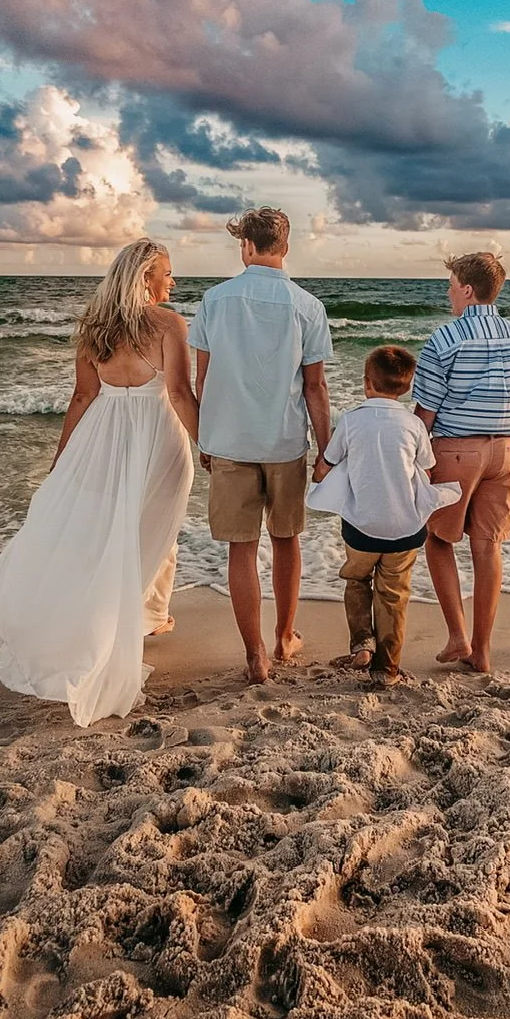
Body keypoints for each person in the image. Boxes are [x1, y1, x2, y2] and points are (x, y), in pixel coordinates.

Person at [0, 239, 198, 725]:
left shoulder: (94, 327)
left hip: (102, 435)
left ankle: (133, 620)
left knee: (105, 534)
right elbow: (179, 394)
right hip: (157, 436)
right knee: (150, 532)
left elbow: (83, 396)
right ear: (144, 278)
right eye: (166, 273)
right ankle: (124, 630)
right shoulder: (170, 324)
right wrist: (209, 446)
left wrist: (64, 458)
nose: (172, 282)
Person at [189, 207, 334, 683]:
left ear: (245, 246)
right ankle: (285, 635)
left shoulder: (214, 300)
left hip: (228, 440)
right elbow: (315, 387)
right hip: (285, 441)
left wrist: (202, 437)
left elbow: (202, 378)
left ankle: (254, 655)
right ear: (285, 248)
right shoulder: (307, 305)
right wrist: (326, 449)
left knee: (241, 550)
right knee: (287, 539)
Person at [410, 252, 510, 673]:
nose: (448, 293)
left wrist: (409, 455)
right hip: (507, 452)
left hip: (457, 450)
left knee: (439, 539)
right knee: (488, 546)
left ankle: (458, 636)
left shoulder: (444, 340)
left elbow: (426, 412)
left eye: (451, 285)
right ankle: (482, 651)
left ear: (466, 289)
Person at [306, 345, 461, 687]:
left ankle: (362, 643)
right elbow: (428, 471)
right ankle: (386, 669)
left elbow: (327, 465)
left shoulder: (351, 420)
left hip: (361, 528)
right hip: (405, 530)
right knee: (393, 594)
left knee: (357, 580)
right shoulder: (414, 425)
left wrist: (318, 476)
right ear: (406, 389)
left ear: (366, 383)